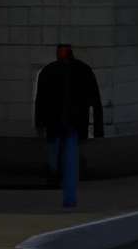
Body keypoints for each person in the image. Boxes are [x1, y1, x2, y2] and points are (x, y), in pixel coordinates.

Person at [33, 42, 103, 209]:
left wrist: (39, 123)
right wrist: (98, 129)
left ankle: (55, 178)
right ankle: (69, 197)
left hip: (55, 122)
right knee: (70, 160)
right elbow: (95, 100)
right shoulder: (84, 70)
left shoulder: (48, 71)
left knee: (55, 155)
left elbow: (40, 100)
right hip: (74, 122)